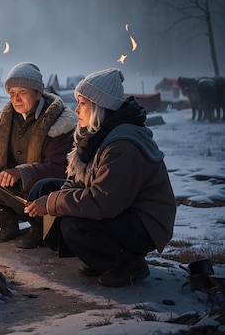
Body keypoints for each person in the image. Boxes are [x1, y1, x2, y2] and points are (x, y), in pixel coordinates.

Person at [24, 68, 176, 287]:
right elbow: (79, 181)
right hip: (122, 210)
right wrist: (52, 198)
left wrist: (52, 203)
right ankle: (102, 258)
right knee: (45, 188)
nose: (76, 109)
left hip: (144, 224)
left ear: (99, 106)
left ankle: (129, 263)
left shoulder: (121, 146)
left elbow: (102, 203)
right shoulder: (97, 135)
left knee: (73, 224)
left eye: (82, 103)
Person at [0, 62, 77, 248]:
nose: (16, 99)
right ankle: (6, 225)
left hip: (39, 191)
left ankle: (39, 229)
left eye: (22, 92)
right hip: (8, 188)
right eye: (12, 93)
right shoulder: (3, 120)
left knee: (44, 186)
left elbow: (60, 167)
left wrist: (21, 173)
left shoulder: (58, 124)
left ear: (38, 93)